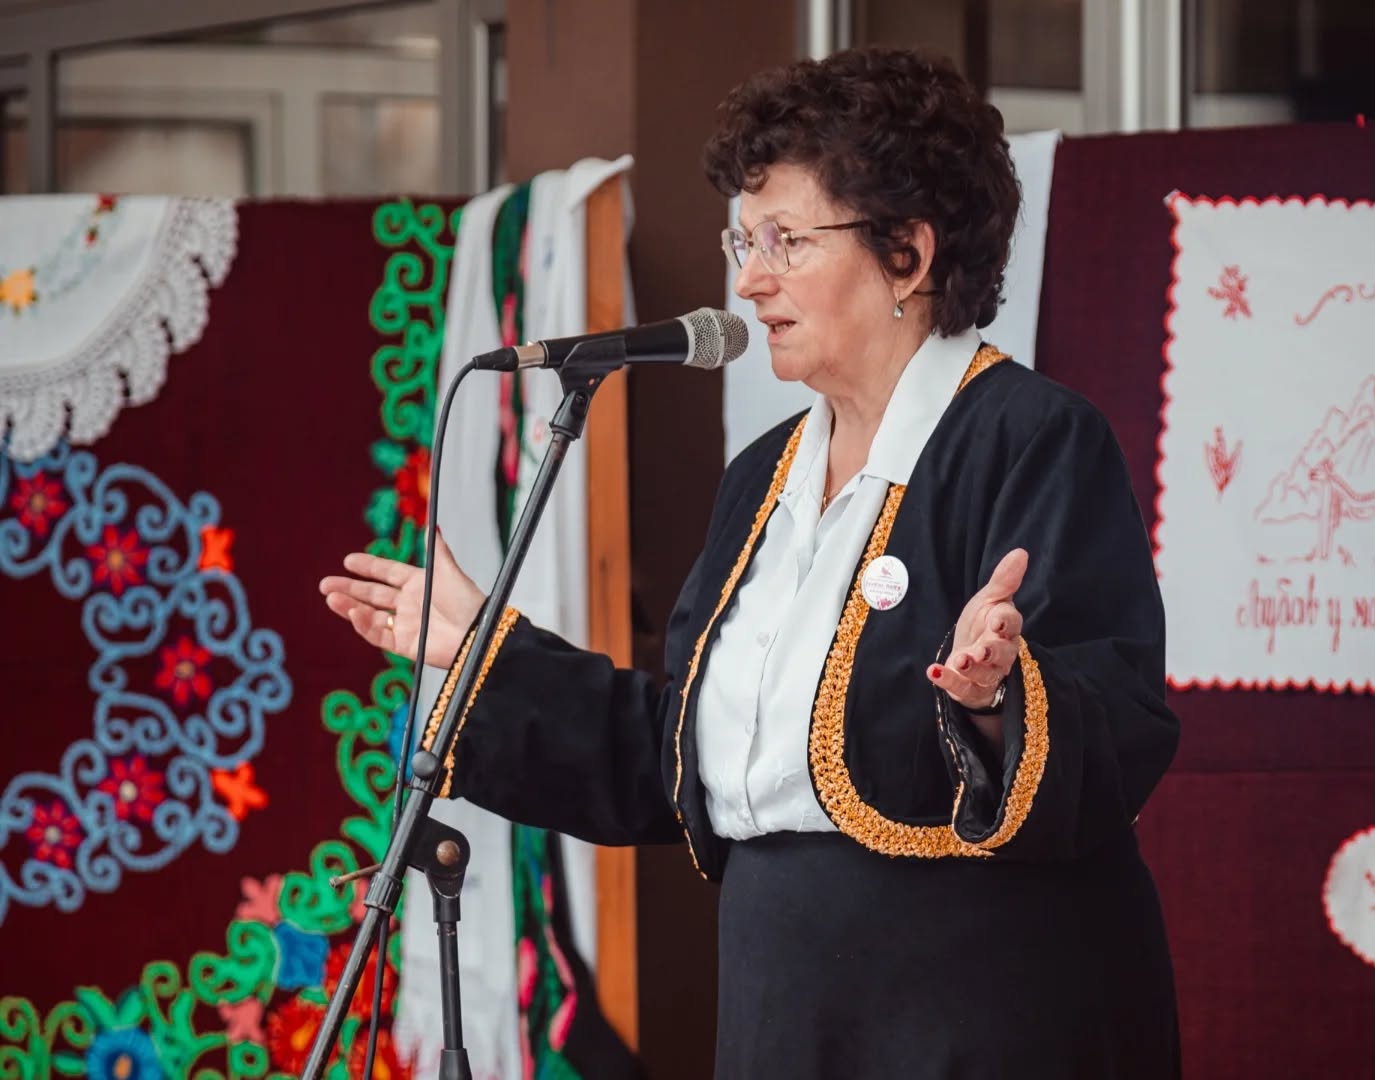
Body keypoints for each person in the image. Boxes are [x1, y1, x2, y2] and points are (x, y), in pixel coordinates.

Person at [321, 46, 1181, 1080]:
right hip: (783, 1014)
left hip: (973, 1018)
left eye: (787, 240)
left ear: (908, 253)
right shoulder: (762, 479)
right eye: (744, 237)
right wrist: (484, 653)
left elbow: (1120, 722)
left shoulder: (1031, 439)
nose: (748, 278)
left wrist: (999, 700)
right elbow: (678, 759)